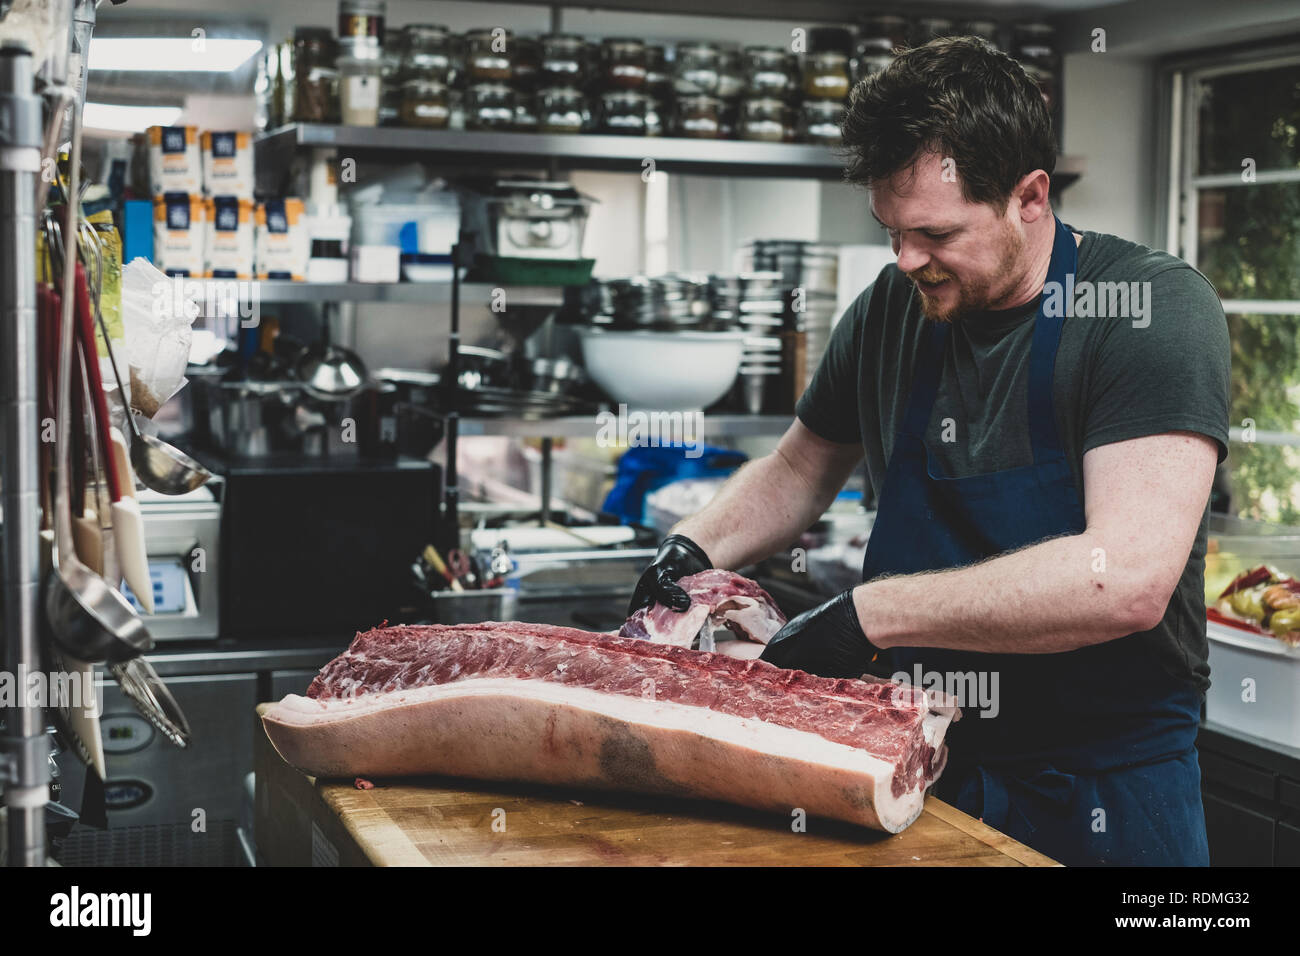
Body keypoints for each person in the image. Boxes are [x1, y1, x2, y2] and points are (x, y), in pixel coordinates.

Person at [628, 36, 1230, 866]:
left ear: (1029, 196)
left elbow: (1122, 579)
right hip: (916, 765)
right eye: (891, 231)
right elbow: (799, 470)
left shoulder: (1146, 311)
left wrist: (866, 614)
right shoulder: (893, 308)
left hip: (1104, 794)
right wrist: (694, 546)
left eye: (935, 233)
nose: (907, 259)